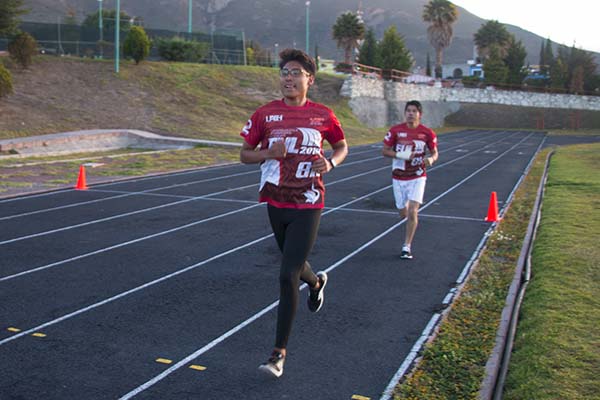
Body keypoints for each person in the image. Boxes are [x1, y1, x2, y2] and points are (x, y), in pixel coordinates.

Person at [239, 48, 348, 378]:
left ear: (309, 80)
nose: (288, 77)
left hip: (309, 202)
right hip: (275, 201)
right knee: (294, 263)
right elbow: (244, 154)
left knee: (287, 274)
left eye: (296, 72)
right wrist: (267, 153)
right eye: (285, 71)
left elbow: (341, 146)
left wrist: (330, 162)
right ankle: (316, 282)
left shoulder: (324, 115)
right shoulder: (265, 114)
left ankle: (278, 354)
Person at [382, 100, 438, 260]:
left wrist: (431, 160)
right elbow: (385, 151)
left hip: (418, 175)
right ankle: (411, 222)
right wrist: (402, 155)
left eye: (414, 111)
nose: (410, 113)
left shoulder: (427, 133)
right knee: (403, 213)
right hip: (399, 176)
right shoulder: (395, 131)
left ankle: (406, 246)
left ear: (420, 114)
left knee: (413, 210)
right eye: (408, 111)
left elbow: (435, 153)